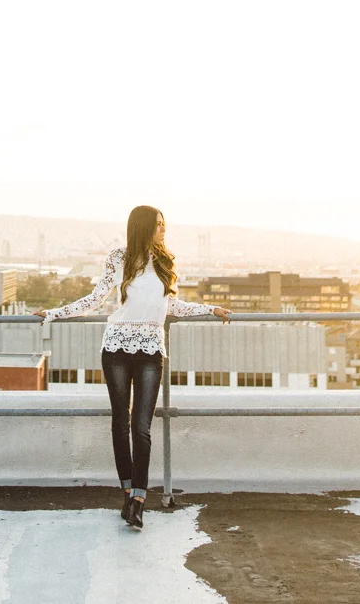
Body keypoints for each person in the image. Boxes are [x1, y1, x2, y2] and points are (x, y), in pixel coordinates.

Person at [40, 205, 230, 528]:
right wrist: (53, 313)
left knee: (142, 427)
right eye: (158, 225)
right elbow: (95, 299)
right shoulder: (119, 258)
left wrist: (209, 309)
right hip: (115, 347)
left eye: (164, 225)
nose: (163, 230)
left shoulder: (165, 262)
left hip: (151, 350)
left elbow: (171, 305)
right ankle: (127, 492)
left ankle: (139, 501)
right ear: (142, 227)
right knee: (121, 423)